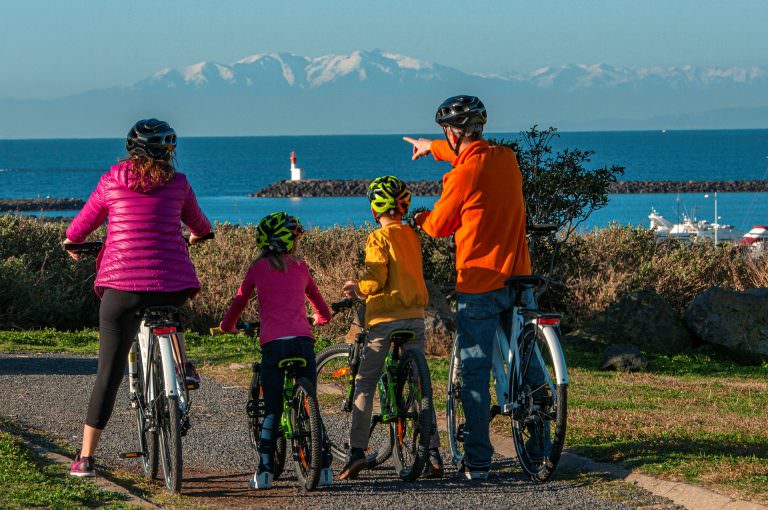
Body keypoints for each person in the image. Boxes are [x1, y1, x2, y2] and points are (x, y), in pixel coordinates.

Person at [64, 118, 212, 477]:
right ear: (169, 153)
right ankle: (180, 365)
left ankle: (85, 458)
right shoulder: (179, 184)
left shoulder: (112, 180)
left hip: (122, 287)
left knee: (108, 373)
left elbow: (79, 227)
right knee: (171, 309)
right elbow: (201, 226)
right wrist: (197, 236)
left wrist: (72, 243)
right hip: (171, 284)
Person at [404, 95, 539, 480]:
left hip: (480, 283)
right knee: (528, 365)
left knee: (475, 373)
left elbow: (440, 225)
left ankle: (478, 459)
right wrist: (431, 149)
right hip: (520, 276)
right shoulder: (507, 159)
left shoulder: (462, 175)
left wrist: (420, 218)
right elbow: (468, 154)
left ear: (452, 131)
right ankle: (542, 445)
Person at [218, 212, 333, 489]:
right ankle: (325, 469)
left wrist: (227, 327)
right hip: (303, 343)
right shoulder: (301, 267)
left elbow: (238, 302)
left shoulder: (257, 269)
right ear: (291, 242)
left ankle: (265, 473)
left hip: (274, 345)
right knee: (310, 404)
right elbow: (322, 310)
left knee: (272, 410)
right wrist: (319, 320)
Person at [339, 176, 443, 481]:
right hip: (414, 316)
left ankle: (357, 451)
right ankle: (433, 453)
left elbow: (376, 280)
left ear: (375, 208)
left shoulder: (378, 238)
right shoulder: (411, 235)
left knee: (365, 382)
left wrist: (356, 289)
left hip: (384, 320)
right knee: (420, 387)